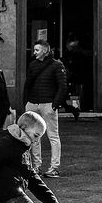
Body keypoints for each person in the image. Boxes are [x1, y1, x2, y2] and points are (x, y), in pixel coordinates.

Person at [23, 39, 69, 177]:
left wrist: (55, 104)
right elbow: (27, 84)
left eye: (37, 50)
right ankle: (36, 167)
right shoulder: (32, 65)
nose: (34, 52)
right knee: (33, 136)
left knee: (52, 136)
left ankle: (54, 167)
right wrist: (26, 102)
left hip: (48, 104)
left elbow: (63, 86)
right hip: (33, 103)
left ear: (45, 51)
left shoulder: (56, 65)